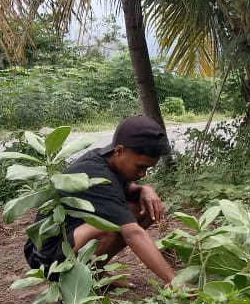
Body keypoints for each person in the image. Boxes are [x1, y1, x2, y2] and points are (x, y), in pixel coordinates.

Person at [23, 115, 177, 287]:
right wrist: (175, 282)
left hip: (71, 236)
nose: (143, 174)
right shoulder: (95, 173)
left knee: (146, 208)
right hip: (46, 257)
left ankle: (95, 275)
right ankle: (75, 285)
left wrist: (144, 189)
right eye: (140, 166)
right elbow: (133, 233)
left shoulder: (106, 158)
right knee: (107, 227)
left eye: (147, 168)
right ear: (119, 151)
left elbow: (123, 189)